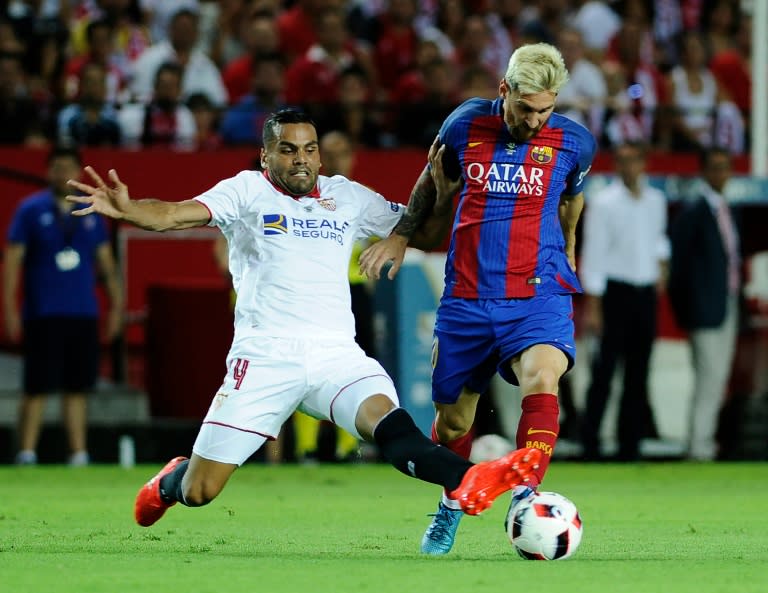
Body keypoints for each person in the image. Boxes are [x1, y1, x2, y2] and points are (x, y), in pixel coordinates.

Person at [65, 108, 541, 529]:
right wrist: (129, 210)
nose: (301, 160)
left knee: (393, 427)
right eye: (288, 150)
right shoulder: (246, 190)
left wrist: (444, 193)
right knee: (201, 491)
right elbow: (171, 215)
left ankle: (474, 479)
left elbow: (423, 234)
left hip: (336, 356)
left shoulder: (346, 196)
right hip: (265, 359)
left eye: (309, 149)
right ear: (266, 155)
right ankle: (172, 481)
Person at [359, 42, 597, 555]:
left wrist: (571, 249)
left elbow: (573, 198)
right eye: (525, 108)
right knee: (454, 423)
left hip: (538, 292)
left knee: (543, 375)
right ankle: (451, 505)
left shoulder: (574, 142)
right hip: (467, 297)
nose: (535, 121)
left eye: (546, 110)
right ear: (504, 90)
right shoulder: (465, 124)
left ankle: (526, 496)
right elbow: (430, 179)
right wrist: (401, 234)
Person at [2, 145, 123, 465]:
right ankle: (26, 452)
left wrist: (116, 306)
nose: (62, 173)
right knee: (37, 386)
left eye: (68, 167)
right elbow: (13, 262)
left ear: (78, 171)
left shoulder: (91, 209)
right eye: (56, 167)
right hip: (43, 311)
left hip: (83, 311)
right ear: (47, 172)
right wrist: (10, 309)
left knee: (78, 386)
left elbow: (106, 264)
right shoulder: (30, 209)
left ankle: (78, 453)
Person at [578, 141, 670, 461]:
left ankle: (629, 445)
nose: (628, 167)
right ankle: (590, 443)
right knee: (604, 372)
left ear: (644, 163)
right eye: (622, 161)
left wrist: (661, 268)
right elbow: (594, 254)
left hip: (644, 293)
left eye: (634, 161)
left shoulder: (656, 200)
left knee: (638, 372)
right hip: (614, 294)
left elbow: (658, 239)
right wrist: (595, 306)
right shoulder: (604, 203)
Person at [667, 147, 742, 461]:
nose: (720, 174)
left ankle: (704, 442)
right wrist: (687, 312)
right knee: (708, 378)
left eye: (725, 167)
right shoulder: (693, 213)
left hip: (728, 303)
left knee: (718, 378)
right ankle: (699, 447)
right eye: (715, 167)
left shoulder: (728, 210)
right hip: (706, 310)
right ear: (704, 171)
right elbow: (679, 268)